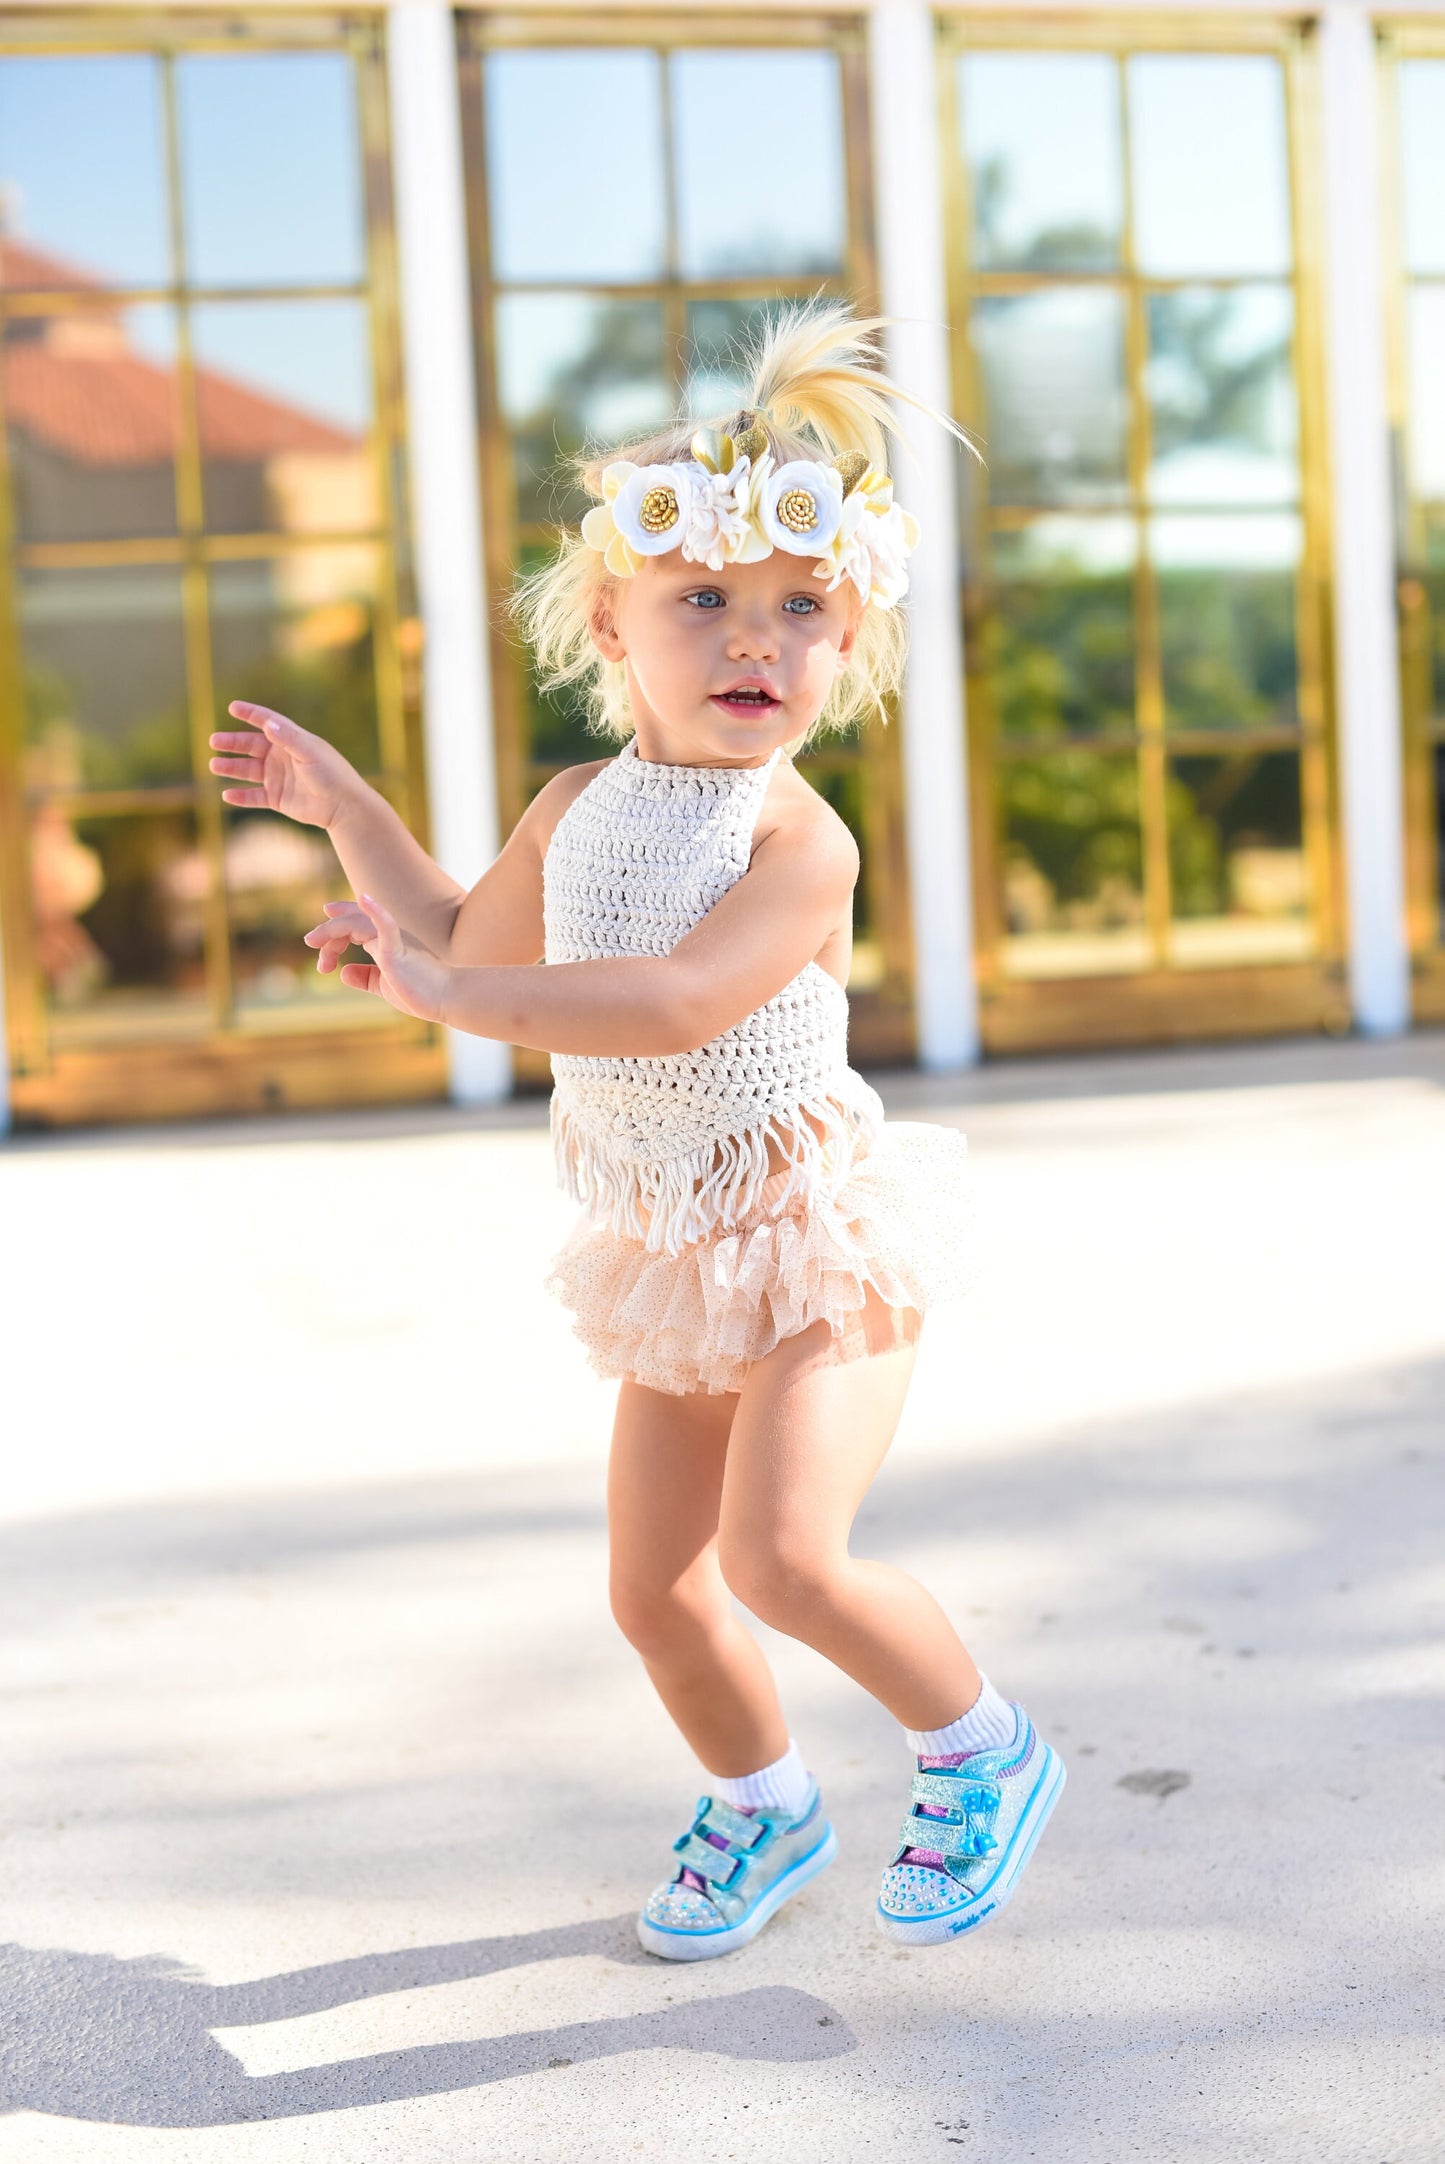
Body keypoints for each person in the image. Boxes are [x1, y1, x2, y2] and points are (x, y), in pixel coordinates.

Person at [207, 300, 1065, 1961]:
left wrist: (444, 1002)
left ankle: (982, 1748)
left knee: (781, 1556)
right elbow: (475, 946)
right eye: (704, 602)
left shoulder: (797, 841)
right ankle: (763, 1808)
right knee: (653, 1591)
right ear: (613, 621)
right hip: (676, 1248)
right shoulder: (573, 810)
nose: (754, 640)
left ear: (850, 637)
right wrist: (354, 825)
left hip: (817, 1240)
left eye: (799, 608)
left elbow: (671, 1001)